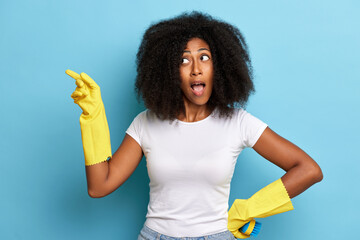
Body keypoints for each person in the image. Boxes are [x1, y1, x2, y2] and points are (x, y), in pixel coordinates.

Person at [66, 11, 323, 240]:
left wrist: (250, 209)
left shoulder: (238, 122)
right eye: (184, 60)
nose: (196, 69)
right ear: (168, 71)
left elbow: (308, 169)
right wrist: (93, 118)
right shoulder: (145, 122)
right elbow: (99, 186)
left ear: (219, 68)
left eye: (205, 58)